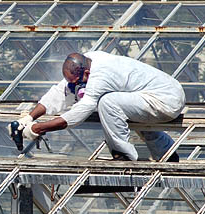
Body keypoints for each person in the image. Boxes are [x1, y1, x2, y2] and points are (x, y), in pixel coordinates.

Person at [13, 51, 185, 161]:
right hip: (159, 94)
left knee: (108, 103)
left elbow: (80, 112)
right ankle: (167, 153)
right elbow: (60, 92)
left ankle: (123, 156)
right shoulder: (87, 60)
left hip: (167, 100)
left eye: (76, 82)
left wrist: (39, 128)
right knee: (125, 109)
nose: (74, 87)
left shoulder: (101, 75)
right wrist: (29, 117)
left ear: (86, 74)